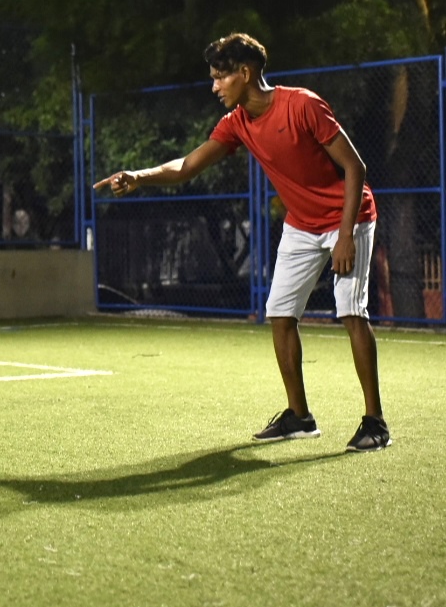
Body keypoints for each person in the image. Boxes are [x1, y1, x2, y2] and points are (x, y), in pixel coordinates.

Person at [94, 33, 390, 452]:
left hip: (350, 215)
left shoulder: (302, 105)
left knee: (350, 311)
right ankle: (300, 417)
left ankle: (375, 422)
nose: (214, 86)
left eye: (220, 77)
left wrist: (345, 237)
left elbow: (354, 168)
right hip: (302, 224)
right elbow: (187, 166)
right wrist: (138, 176)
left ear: (244, 73)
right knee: (281, 313)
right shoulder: (236, 123)